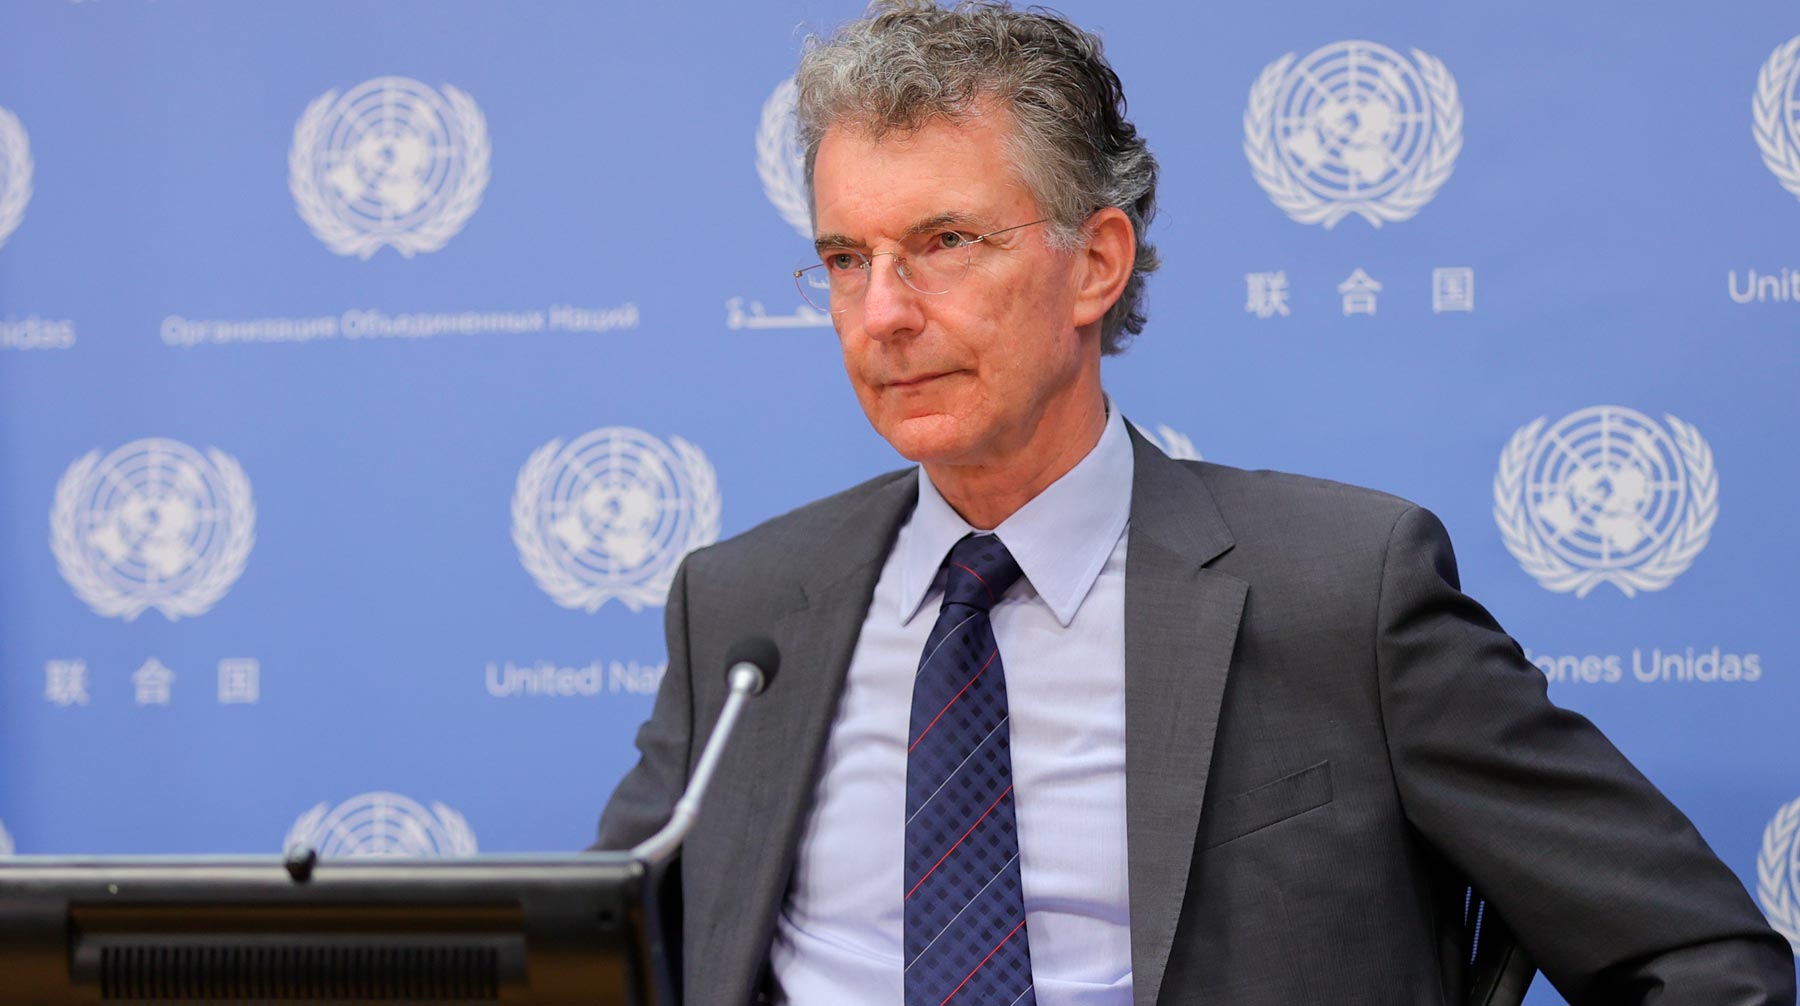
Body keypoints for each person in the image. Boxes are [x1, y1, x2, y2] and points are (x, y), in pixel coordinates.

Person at [596, 3, 1796, 1003]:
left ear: (1096, 263)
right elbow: (599, 954)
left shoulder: (1346, 590)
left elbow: (1701, 960)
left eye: (945, 241)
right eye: (846, 259)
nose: (883, 314)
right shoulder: (744, 608)